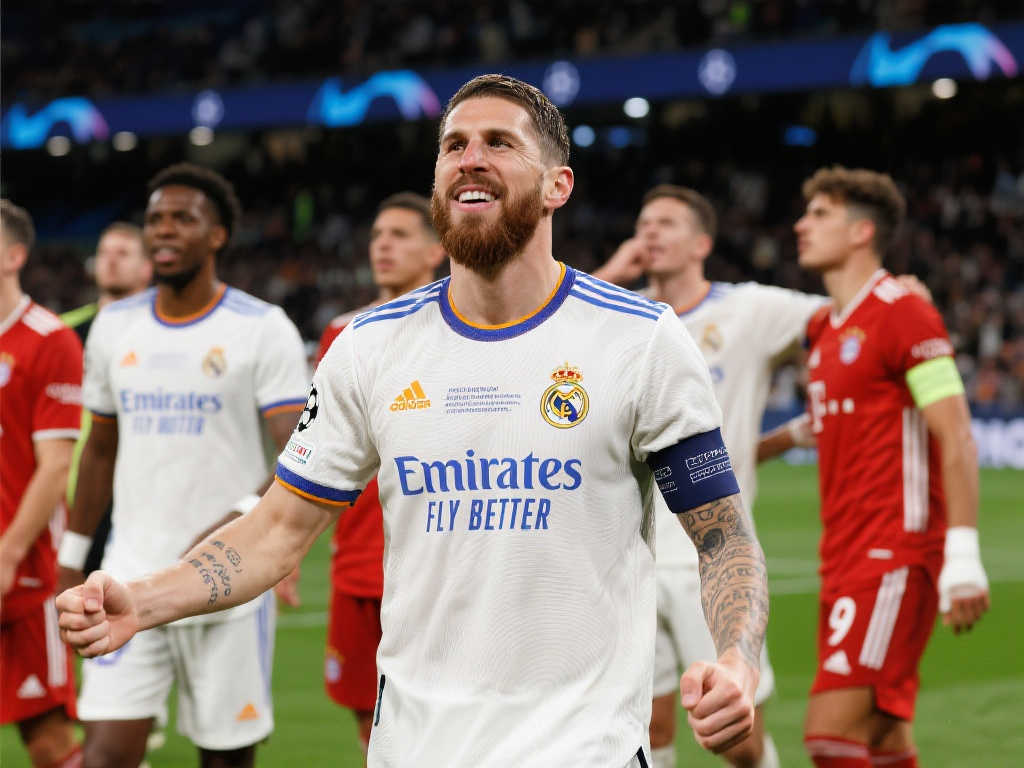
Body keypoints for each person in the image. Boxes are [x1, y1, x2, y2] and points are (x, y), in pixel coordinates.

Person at [58, 75, 769, 768]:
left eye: (499, 143)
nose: (471, 158)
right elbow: (277, 531)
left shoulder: (641, 340)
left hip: (582, 749)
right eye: (453, 145)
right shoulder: (369, 347)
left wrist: (738, 659)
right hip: (414, 746)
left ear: (558, 185)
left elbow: (723, 536)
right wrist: (141, 600)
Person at [59, 164, 310, 768]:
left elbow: (298, 449)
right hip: (125, 577)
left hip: (226, 580)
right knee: (104, 757)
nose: (164, 230)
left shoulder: (261, 328)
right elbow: (99, 449)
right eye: (155, 220)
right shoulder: (115, 326)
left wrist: (241, 519)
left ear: (218, 235)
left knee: (224, 758)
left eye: (182, 219)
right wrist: (73, 554)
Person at [760, 166, 989, 768]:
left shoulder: (904, 312)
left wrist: (962, 553)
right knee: (884, 740)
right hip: (843, 555)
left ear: (863, 231)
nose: (801, 225)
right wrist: (751, 450)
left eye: (819, 214)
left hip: (895, 553)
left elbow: (955, 432)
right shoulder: (824, 328)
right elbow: (823, 421)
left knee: (828, 737)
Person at [594, 184, 829, 768]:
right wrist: (611, 275)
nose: (650, 231)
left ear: (702, 243)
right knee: (643, 728)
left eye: (666, 222)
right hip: (628, 560)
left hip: (713, 555)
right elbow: (545, 337)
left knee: (737, 738)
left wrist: (899, 290)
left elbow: (844, 313)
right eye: (643, 222)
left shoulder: (748, 310)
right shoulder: (618, 318)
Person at [316, 192, 445, 755]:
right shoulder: (342, 334)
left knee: (440, 726)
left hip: (430, 556)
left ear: (437, 249)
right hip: (357, 556)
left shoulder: (460, 328)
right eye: (376, 236)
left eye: (399, 235)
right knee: (370, 724)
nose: (383, 246)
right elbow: (321, 451)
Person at [0, 199, 83, 767]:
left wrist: (8, 554)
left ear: (15, 256)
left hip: (24, 575)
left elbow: (55, 466)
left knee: (48, 741)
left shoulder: (49, 340)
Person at [60, 222, 153, 575]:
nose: (111, 261)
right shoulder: (63, 333)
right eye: (104, 253)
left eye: (123, 253)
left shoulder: (165, 334)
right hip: (76, 486)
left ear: (147, 268)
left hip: (143, 489)